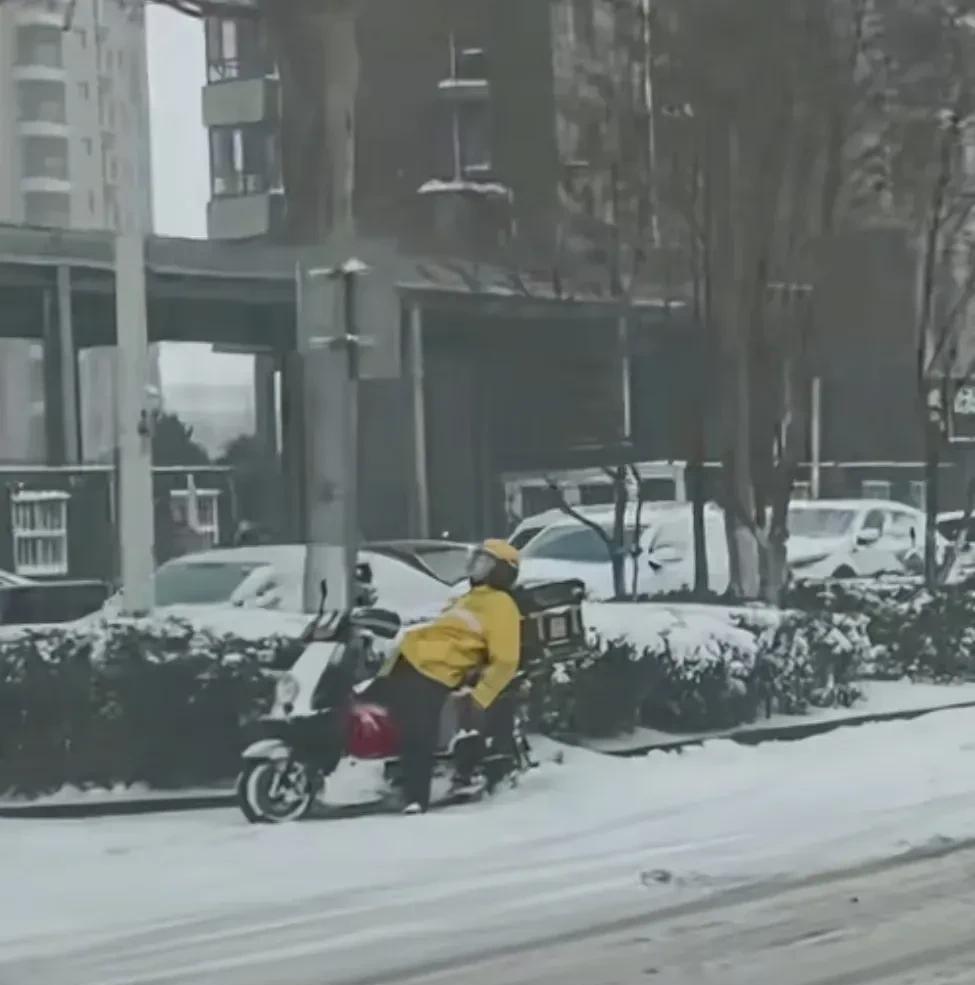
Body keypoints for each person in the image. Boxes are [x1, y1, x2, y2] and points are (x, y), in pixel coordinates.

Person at [384, 539, 522, 814]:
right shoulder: (466, 598)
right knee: (360, 706)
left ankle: (416, 795)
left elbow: (506, 659)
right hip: (407, 661)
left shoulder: (502, 604)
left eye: (485, 561)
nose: (476, 565)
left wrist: (481, 696)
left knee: (416, 725)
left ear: (501, 571)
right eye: (477, 559)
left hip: (440, 672)